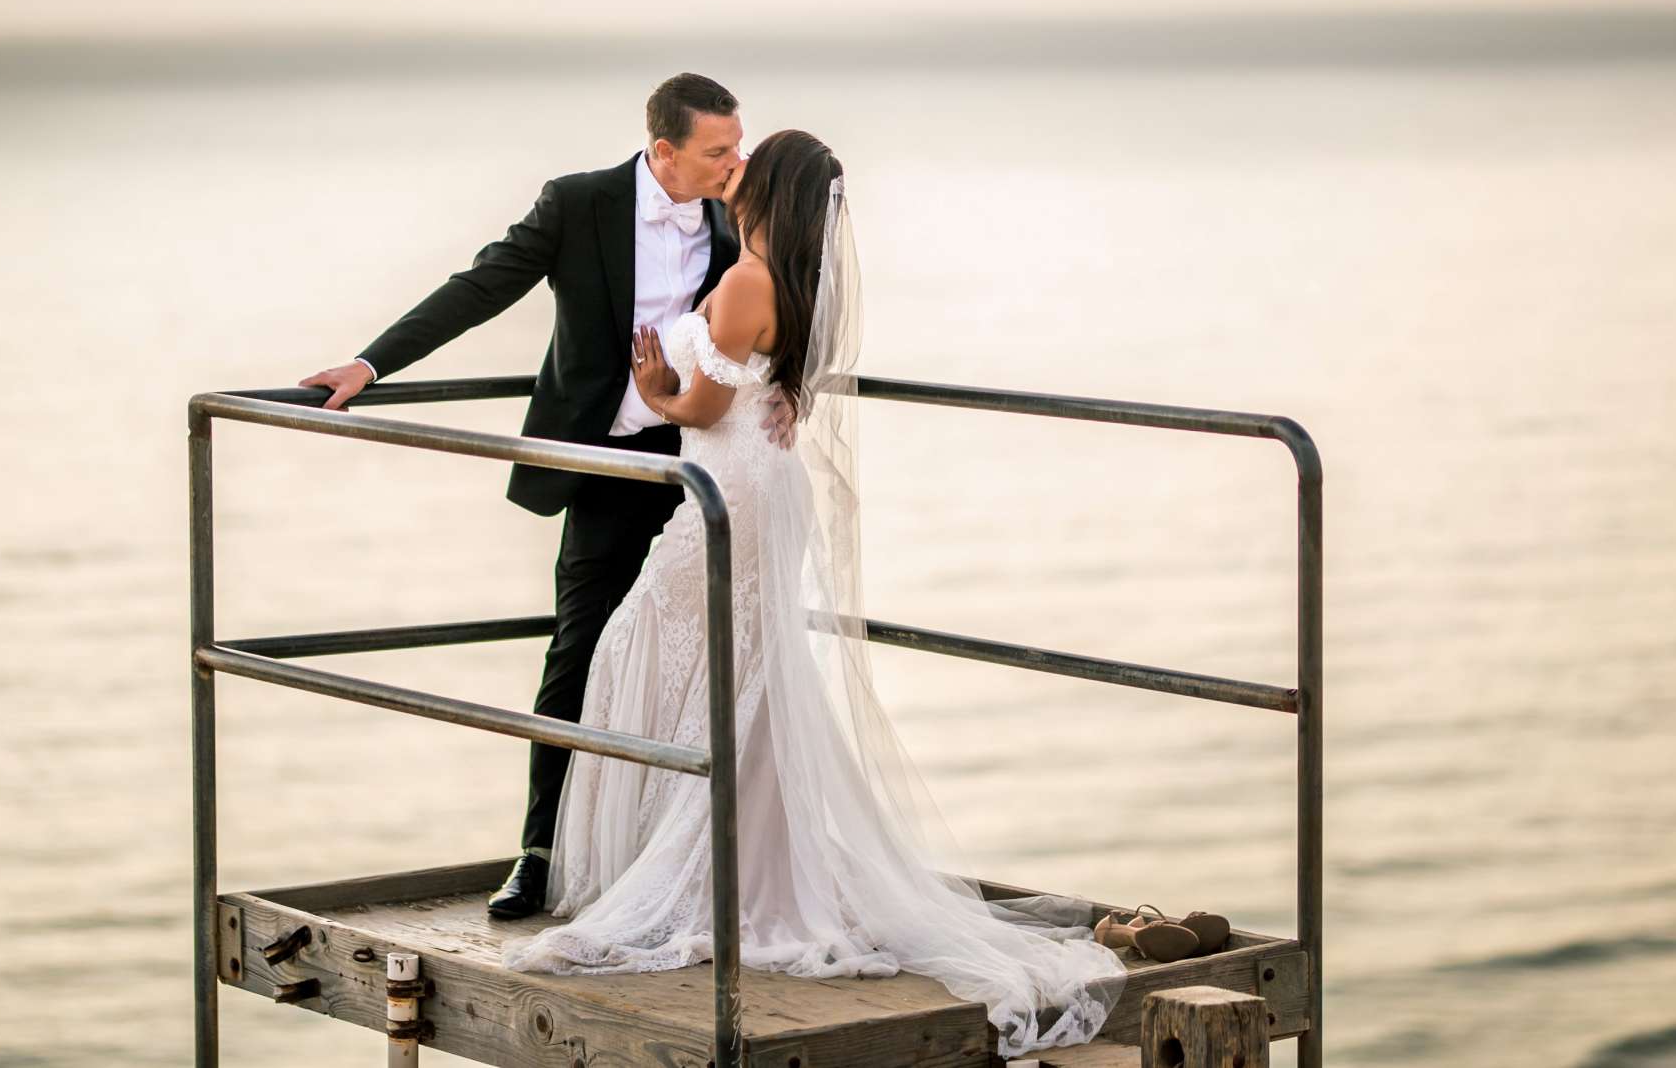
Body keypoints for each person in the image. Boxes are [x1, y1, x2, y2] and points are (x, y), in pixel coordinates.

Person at [491, 129, 1127, 1059]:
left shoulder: (747, 281)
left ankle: (690, 863)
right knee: (736, 660)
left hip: (731, 484)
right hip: (758, 481)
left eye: (749, 166)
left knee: (646, 641)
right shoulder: (787, 278)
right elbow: (765, 386)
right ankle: (709, 851)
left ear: (773, 192)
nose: (733, 172)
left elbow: (706, 409)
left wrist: (657, 389)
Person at [298, 72, 757, 920]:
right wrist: (370, 365)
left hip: (705, 460)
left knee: (707, 660)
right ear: (663, 150)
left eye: (737, 145)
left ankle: (684, 858)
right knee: (577, 653)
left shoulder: (740, 217)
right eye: (717, 151)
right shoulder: (579, 203)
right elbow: (481, 287)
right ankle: (541, 853)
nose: (736, 163)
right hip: (602, 465)